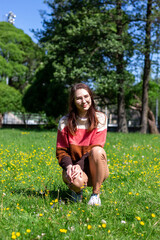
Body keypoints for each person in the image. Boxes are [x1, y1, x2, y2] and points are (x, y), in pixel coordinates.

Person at [56, 83, 109, 206]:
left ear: (91, 97)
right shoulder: (64, 121)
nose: (83, 101)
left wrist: (79, 165)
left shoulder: (100, 118)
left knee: (97, 151)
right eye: (79, 98)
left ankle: (95, 195)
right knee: (75, 181)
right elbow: (61, 150)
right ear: (73, 101)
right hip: (74, 170)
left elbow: (95, 147)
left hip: (95, 169)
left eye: (86, 96)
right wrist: (70, 167)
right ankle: (77, 191)